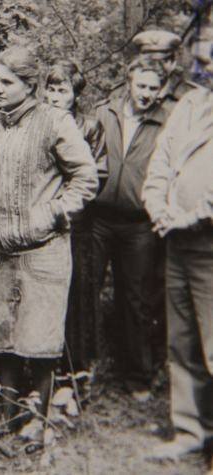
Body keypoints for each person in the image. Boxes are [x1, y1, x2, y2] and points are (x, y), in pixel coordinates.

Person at [0, 46, 97, 438]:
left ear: (29, 85)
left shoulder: (55, 122)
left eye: (7, 82)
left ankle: (38, 420)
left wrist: (53, 212)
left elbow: (86, 178)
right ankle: (6, 416)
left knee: (39, 338)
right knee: (0, 336)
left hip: (44, 251)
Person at [143, 24, 213, 461]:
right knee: (181, 342)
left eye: (208, 62)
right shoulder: (190, 103)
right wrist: (159, 208)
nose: (202, 69)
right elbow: (161, 162)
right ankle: (191, 431)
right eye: (200, 61)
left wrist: (191, 216)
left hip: (209, 246)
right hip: (177, 247)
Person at [92, 57, 171, 402]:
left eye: (154, 88)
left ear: (162, 90)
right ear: (129, 82)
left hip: (139, 223)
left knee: (136, 298)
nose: (146, 94)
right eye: (141, 86)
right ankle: (79, 368)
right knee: (84, 291)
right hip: (97, 218)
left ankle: (136, 375)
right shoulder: (103, 113)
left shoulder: (167, 122)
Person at [44, 60, 104, 373]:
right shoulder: (37, 121)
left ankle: (76, 367)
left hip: (77, 225)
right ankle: (44, 363)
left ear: (75, 94)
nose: (55, 97)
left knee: (77, 293)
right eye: (50, 90)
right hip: (43, 223)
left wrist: (66, 204)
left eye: (62, 91)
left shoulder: (89, 126)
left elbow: (97, 175)